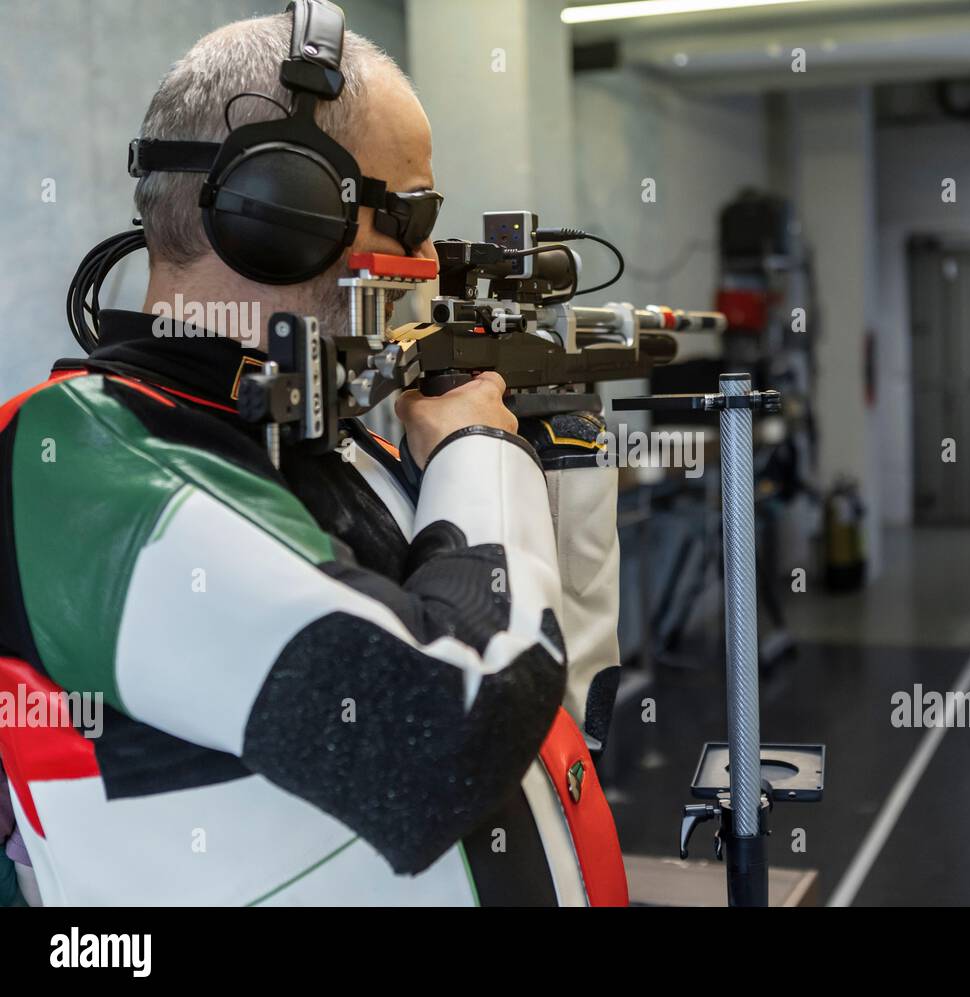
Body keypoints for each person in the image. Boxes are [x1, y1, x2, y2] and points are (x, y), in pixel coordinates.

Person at [0, 4, 625, 906]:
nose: (425, 261)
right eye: (412, 214)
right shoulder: (71, 460)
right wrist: (483, 453)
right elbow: (445, 736)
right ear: (280, 210)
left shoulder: (322, 432)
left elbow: (520, 669)